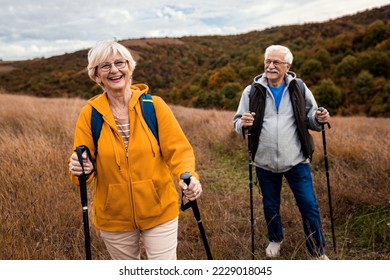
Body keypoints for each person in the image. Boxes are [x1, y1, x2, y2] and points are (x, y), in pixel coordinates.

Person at [67, 39, 202, 260]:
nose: (114, 70)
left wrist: (189, 176)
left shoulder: (154, 106)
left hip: (160, 210)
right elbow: (81, 167)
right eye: (105, 66)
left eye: (119, 63)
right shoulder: (90, 114)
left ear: (130, 67)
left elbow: (179, 150)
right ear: (96, 75)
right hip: (114, 217)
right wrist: (80, 167)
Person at [233, 45, 330, 260]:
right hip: (264, 162)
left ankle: (317, 252)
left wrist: (319, 118)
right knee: (270, 205)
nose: (271, 66)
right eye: (268, 61)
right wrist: (244, 124)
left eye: (276, 62)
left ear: (288, 66)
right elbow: (237, 121)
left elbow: (312, 117)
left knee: (308, 205)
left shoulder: (299, 88)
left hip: (297, 160)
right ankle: (275, 239)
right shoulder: (251, 91)